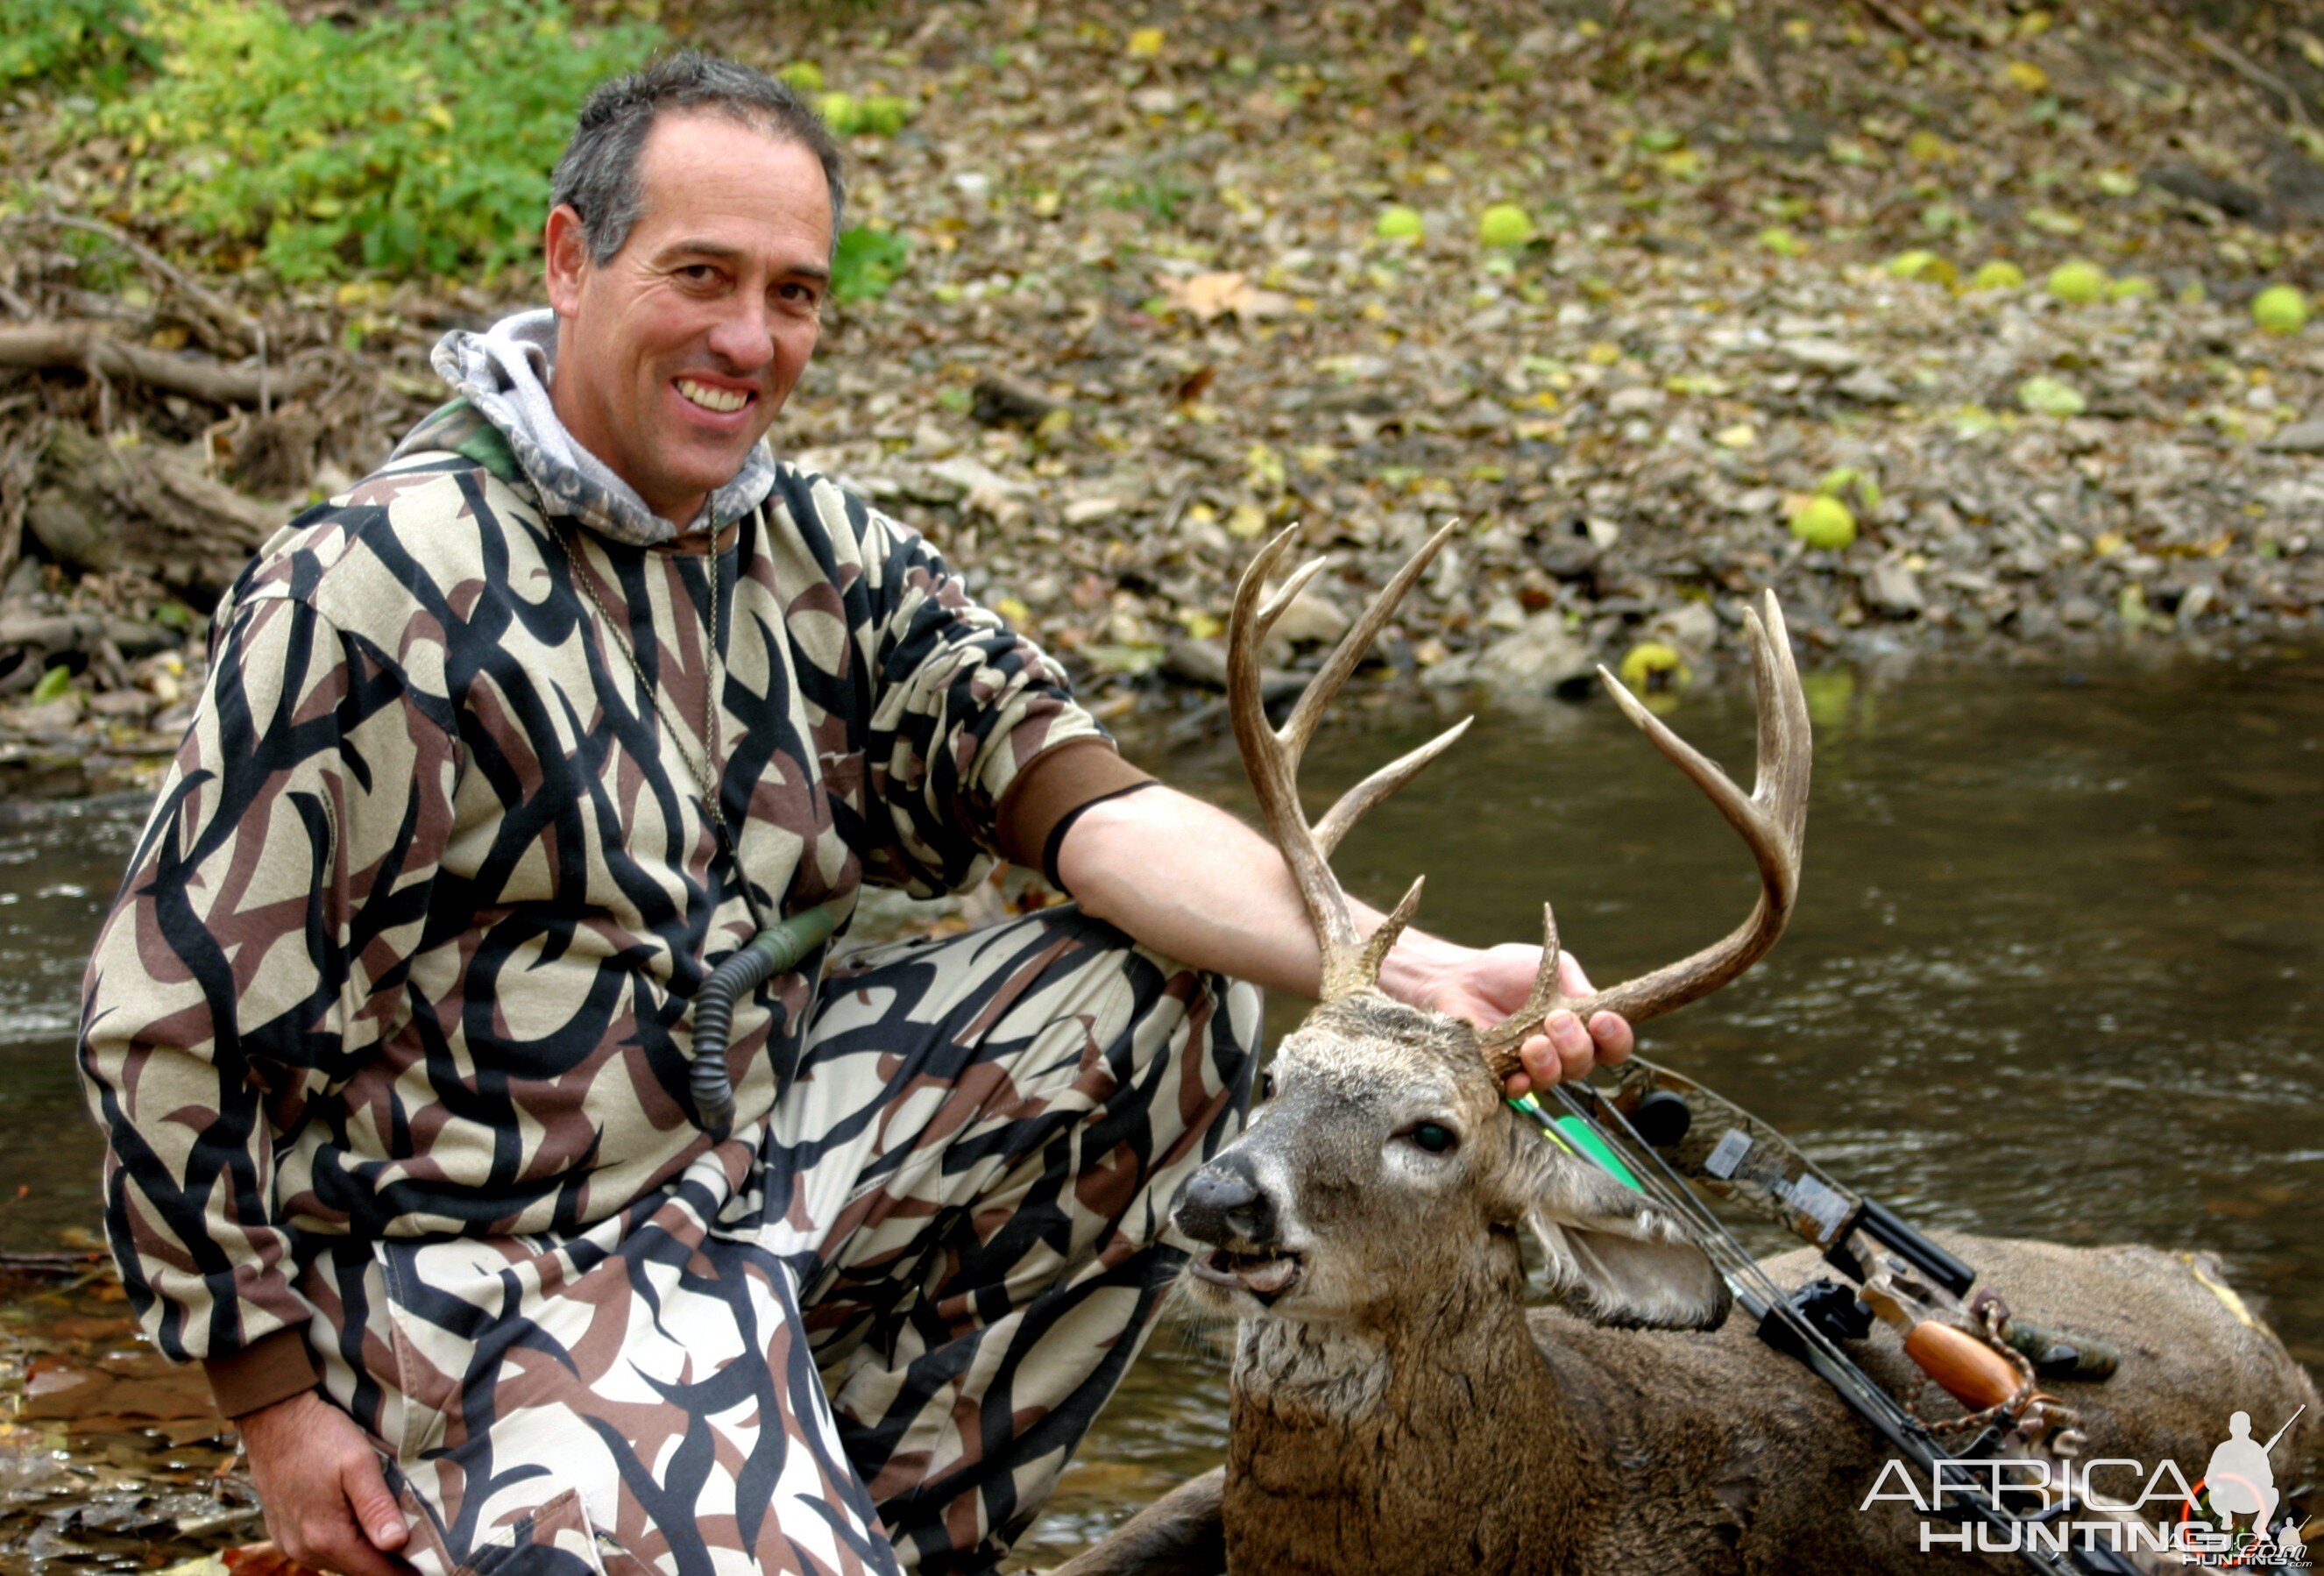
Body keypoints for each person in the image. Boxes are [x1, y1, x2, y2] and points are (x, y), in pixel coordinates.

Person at [76, 52, 1631, 1576]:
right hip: (491, 1271)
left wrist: (1396, 968)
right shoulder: (369, 591)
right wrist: (272, 1407)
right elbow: (163, 1027)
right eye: (701, 274)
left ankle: (869, 1518)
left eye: (795, 293)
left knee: (1183, 989)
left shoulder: (814, 549)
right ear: (570, 257)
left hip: (756, 1173)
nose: (748, 340)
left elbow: (1092, 805)